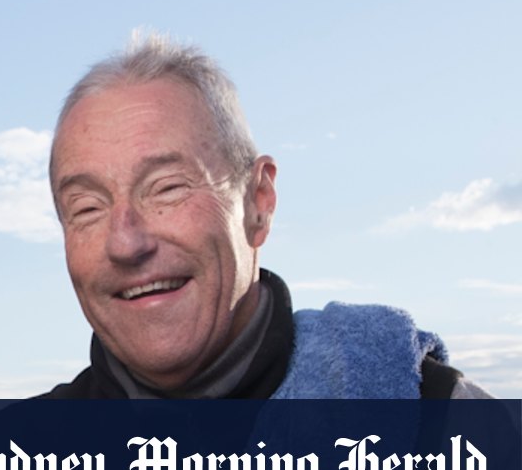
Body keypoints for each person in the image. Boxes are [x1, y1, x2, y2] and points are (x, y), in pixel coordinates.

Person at [43, 31, 490, 400]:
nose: (125, 242)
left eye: (168, 188)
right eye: (87, 208)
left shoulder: (441, 431)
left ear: (259, 201)